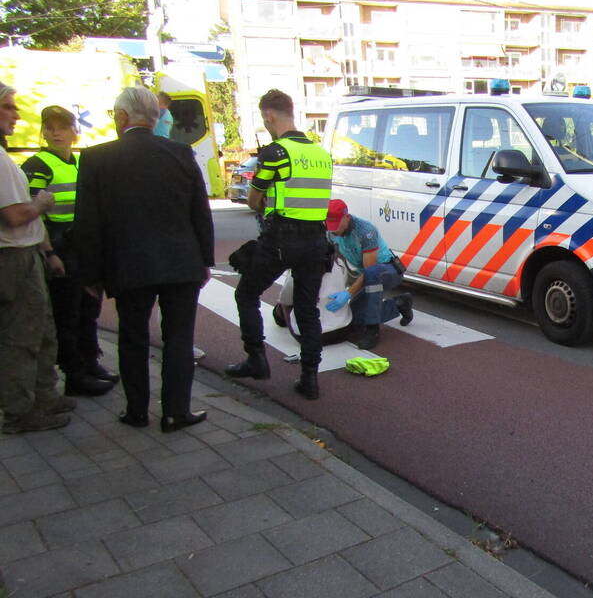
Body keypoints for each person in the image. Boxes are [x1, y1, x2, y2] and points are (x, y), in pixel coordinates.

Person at [74, 86, 214, 433]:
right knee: (179, 339)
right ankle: (175, 412)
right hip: (181, 263)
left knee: (133, 337)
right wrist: (204, 261)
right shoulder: (181, 154)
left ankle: (137, 410)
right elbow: (200, 213)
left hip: (128, 265)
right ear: (155, 118)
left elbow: (88, 224)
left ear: (122, 117)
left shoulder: (96, 158)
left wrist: (90, 274)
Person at [225, 89, 332, 400]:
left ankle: (256, 358)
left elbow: (254, 197)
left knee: (246, 293)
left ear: (269, 115)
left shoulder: (275, 152)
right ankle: (310, 378)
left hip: (282, 238)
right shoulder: (321, 154)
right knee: (307, 308)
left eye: (264, 119)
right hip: (316, 240)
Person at [22, 105, 118, 397]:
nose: (55, 133)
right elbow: (33, 213)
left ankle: (91, 362)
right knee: (67, 314)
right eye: (49, 128)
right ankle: (74, 375)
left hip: (82, 247)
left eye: (62, 127)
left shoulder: (80, 163)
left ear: (74, 132)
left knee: (89, 308)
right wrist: (50, 253)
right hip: (59, 246)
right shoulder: (37, 164)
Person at [0, 81, 72, 435]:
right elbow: (14, 215)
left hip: (26, 252)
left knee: (42, 329)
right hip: (11, 255)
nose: (16, 115)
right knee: (21, 335)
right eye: (9, 107)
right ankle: (19, 411)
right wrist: (41, 205)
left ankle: (44, 396)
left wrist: (46, 251)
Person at [324, 198, 413, 350]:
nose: (334, 230)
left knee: (372, 273)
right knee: (354, 319)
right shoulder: (330, 230)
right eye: (330, 225)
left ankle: (373, 330)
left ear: (347, 217)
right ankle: (400, 304)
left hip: (387, 270)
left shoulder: (365, 231)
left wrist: (349, 294)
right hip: (367, 275)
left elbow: (369, 271)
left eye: (336, 225)